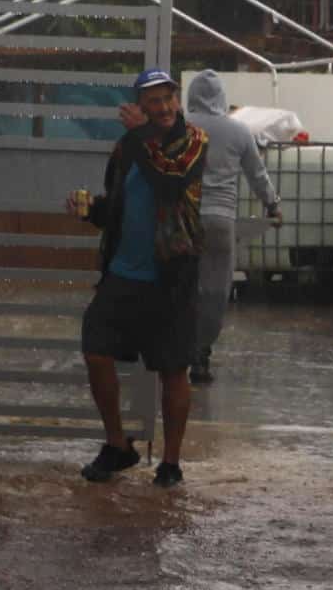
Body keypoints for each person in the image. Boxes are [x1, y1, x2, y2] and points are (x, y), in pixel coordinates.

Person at [68, 68, 209, 488]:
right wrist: (90, 209)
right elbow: (117, 203)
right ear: (140, 105)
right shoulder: (128, 146)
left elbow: (171, 181)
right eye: (153, 101)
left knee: (173, 369)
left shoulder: (194, 140)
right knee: (95, 349)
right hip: (122, 274)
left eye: (168, 99)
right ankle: (119, 446)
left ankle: (170, 462)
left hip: (172, 274)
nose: (163, 108)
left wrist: (143, 136)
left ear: (177, 101)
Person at [183, 70, 284, 386]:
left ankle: (175, 351)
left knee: (182, 285)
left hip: (184, 219)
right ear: (222, 98)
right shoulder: (238, 131)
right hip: (221, 220)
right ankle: (201, 355)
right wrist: (273, 206)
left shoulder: (180, 126)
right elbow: (258, 175)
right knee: (215, 290)